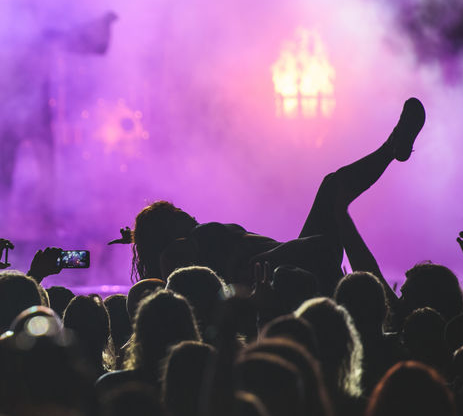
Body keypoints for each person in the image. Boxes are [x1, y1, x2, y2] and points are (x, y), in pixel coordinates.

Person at [131, 98, 425, 295]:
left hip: (296, 259)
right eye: (174, 212)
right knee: (329, 208)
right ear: (165, 229)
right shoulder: (178, 253)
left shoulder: (195, 242)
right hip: (287, 271)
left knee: (333, 187)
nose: (183, 211)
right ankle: (391, 149)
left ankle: (393, 146)